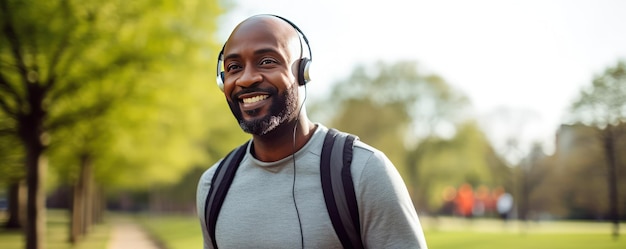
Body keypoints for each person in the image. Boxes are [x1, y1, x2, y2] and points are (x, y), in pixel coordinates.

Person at [196, 14, 428, 249]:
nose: (246, 79)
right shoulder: (213, 186)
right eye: (234, 67)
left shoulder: (363, 172)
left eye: (267, 61)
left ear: (302, 72)